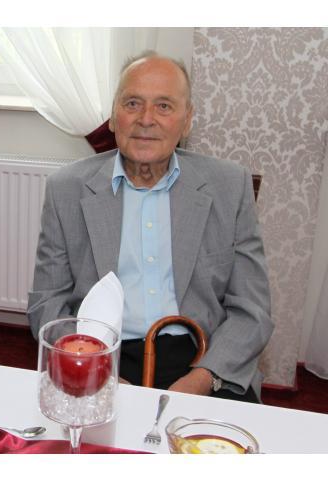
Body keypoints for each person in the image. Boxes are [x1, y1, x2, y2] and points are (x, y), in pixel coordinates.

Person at [28, 51, 273, 402]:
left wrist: (202, 379)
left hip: (203, 354)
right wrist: (99, 370)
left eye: (164, 106)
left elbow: (253, 311)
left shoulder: (229, 186)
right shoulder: (66, 188)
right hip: (102, 352)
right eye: (133, 103)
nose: (146, 119)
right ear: (113, 117)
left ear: (187, 120)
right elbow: (47, 303)